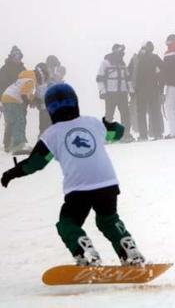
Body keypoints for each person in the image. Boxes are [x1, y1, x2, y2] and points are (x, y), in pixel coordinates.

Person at [1, 83, 145, 266]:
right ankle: (129, 251)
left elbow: (35, 163)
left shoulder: (51, 134)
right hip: (107, 183)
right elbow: (118, 133)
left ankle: (84, 252)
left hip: (79, 188)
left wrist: (11, 173)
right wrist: (111, 124)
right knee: (108, 220)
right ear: (75, 102)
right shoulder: (93, 123)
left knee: (68, 224)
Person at [1, 64, 49, 154]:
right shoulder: (30, 80)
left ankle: (9, 144)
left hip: (7, 99)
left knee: (11, 122)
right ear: (40, 76)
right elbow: (24, 94)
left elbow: (26, 93)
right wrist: (28, 102)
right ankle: (19, 144)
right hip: (13, 101)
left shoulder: (25, 78)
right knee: (20, 120)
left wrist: (32, 100)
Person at [96, 44, 134, 142]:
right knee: (109, 114)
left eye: (122, 52)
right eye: (120, 51)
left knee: (125, 114)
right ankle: (108, 136)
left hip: (122, 93)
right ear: (114, 51)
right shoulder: (105, 62)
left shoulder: (122, 63)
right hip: (110, 93)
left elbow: (127, 78)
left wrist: (131, 90)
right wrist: (102, 90)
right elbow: (99, 78)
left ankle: (126, 134)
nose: (121, 54)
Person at [131, 41, 164, 141]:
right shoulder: (155, 57)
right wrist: (160, 85)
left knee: (141, 113)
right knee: (154, 111)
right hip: (153, 88)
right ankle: (157, 134)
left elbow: (129, 71)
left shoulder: (137, 59)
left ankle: (143, 135)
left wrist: (132, 88)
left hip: (140, 89)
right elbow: (163, 69)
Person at [0, 46, 26, 152]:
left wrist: (27, 99)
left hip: (21, 100)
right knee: (10, 121)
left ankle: (20, 143)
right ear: (11, 56)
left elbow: (27, 84)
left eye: (19, 55)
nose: (17, 57)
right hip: (7, 100)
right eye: (15, 55)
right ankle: (8, 144)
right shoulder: (4, 69)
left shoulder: (23, 70)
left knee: (21, 121)